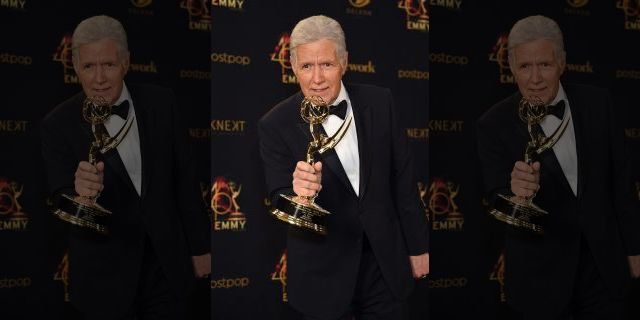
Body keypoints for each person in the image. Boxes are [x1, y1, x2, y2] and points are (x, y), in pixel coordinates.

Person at [258, 15, 429, 320]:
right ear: (294, 67)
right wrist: (299, 196)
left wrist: (418, 247)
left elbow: (403, 180)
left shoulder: (380, 102)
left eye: (326, 64)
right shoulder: (275, 124)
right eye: (307, 66)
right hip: (322, 276)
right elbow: (277, 196)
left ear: (345, 62)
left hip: (384, 266)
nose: (317, 79)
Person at [40, 15, 211, 319]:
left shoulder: (162, 103)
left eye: (108, 64)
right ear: (76, 67)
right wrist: (80, 197)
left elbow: (185, 179)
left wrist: (200, 248)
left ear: (126, 63)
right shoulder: (58, 124)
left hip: (166, 268)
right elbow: (58, 198)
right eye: (89, 67)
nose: (99, 78)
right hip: (104, 279)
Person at [476, 15, 640, 319]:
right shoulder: (492, 124)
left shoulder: (598, 104)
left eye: (545, 65)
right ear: (511, 67)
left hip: (604, 270)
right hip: (540, 282)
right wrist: (517, 197)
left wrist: (634, 249)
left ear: (562, 63)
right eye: (525, 66)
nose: (535, 78)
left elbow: (622, 184)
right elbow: (496, 206)